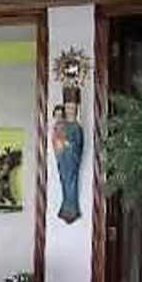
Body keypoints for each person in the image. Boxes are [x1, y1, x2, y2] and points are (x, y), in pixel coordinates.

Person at [52, 95, 84, 223]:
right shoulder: (63, 125)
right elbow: (56, 139)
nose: (70, 111)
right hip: (63, 159)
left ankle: (72, 208)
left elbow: (78, 145)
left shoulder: (77, 127)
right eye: (68, 108)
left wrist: (68, 144)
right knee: (64, 182)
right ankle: (66, 206)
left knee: (71, 181)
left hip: (72, 159)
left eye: (72, 108)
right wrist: (60, 146)